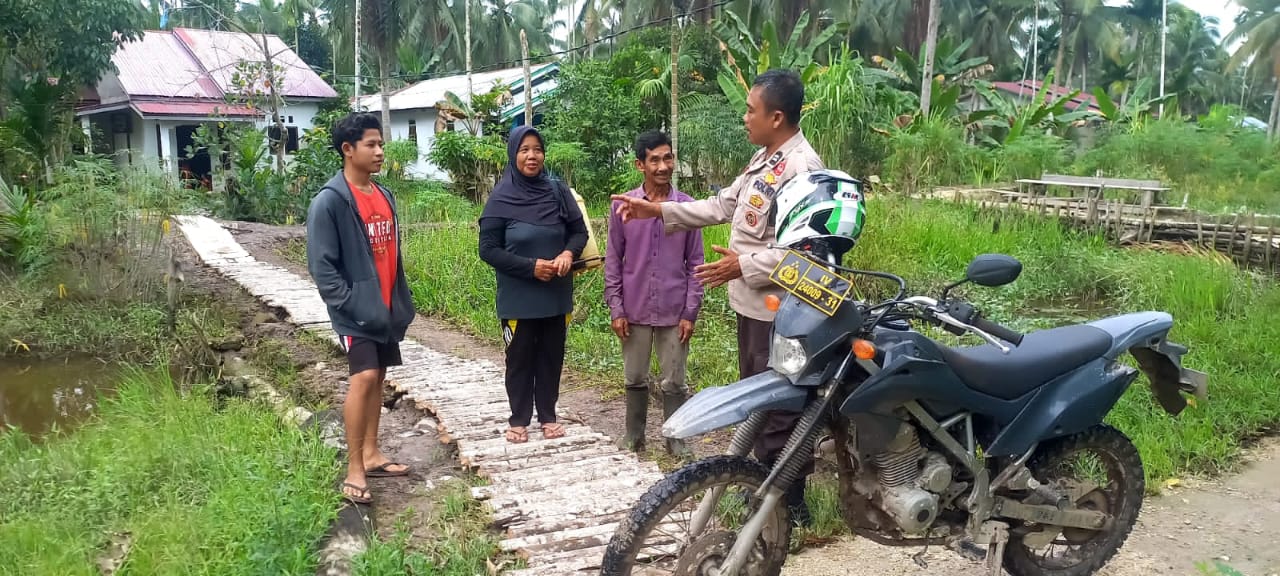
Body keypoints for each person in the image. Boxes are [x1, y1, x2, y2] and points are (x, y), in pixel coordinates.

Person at [611, 69, 824, 525]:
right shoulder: (765, 160)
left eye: (752, 110)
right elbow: (722, 206)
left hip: (781, 312)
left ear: (777, 116)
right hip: (752, 307)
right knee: (762, 400)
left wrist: (741, 265)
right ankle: (766, 490)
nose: (745, 116)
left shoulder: (803, 169)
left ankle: (790, 502)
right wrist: (659, 209)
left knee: (783, 404)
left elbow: (805, 254)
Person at [306, 112, 416, 505]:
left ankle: (372, 453)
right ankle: (354, 468)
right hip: (356, 311)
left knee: (379, 375)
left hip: (384, 307)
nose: (380, 151)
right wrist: (349, 304)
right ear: (347, 150)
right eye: (371, 144)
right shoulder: (330, 201)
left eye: (381, 144)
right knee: (365, 376)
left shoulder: (383, 195)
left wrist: (395, 301)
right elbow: (322, 266)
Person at [479, 125, 588, 444]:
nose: (532, 156)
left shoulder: (557, 190)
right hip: (518, 297)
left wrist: (568, 253)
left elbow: (578, 232)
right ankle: (518, 419)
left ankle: (549, 416)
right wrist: (531, 267)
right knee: (520, 358)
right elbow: (487, 249)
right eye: (524, 149)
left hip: (556, 294)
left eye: (537, 149)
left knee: (552, 356)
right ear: (514, 154)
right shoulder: (501, 197)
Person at [605, 130, 705, 458]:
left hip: (674, 309)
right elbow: (613, 260)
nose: (663, 166)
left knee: (675, 380)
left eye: (668, 157)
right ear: (640, 164)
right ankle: (634, 436)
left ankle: (675, 439)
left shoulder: (687, 208)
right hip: (633, 308)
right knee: (634, 376)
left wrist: (690, 311)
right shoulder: (624, 208)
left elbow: (696, 263)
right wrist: (616, 307)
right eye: (655, 159)